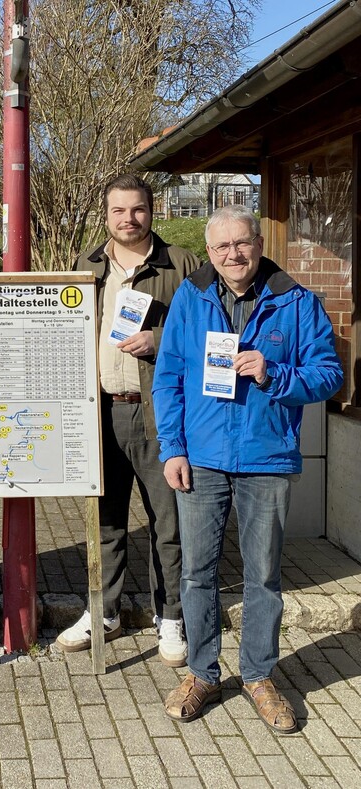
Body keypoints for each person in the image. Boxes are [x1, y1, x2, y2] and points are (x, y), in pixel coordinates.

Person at [153, 203, 342, 732]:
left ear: (259, 244)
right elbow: (168, 377)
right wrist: (173, 448)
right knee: (197, 572)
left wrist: (274, 372)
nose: (233, 254)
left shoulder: (297, 302)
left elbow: (328, 376)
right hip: (201, 458)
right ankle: (202, 673)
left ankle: (259, 676)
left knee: (263, 576)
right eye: (221, 247)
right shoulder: (190, 298)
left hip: (266, 458)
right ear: (210, 253)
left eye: (242, 243)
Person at [58, 173, 200, 666]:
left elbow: (209, 334)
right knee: (106, 519)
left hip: (159, 413)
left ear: (151, 210)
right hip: (99, 411)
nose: (128, 219)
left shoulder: (181, 264)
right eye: (119, 210)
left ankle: (172, 619)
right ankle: (105, 611)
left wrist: (160, 342)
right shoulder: (87, 264)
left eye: (137, 209)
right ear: (106, 215)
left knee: (169, 521)